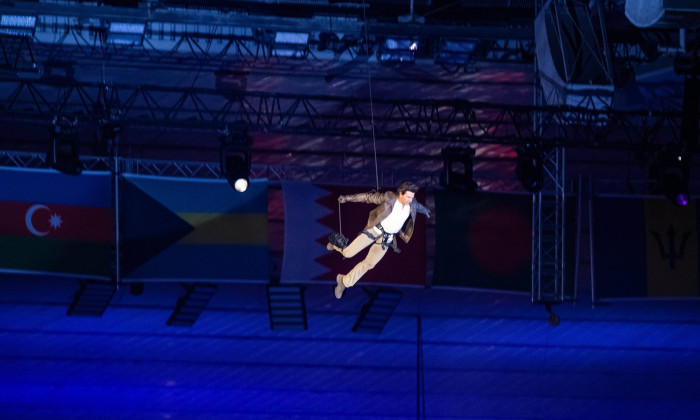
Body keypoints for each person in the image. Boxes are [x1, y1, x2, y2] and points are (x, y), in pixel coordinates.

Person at [327, 181, 431, 299]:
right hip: (374, 231)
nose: (411, 199)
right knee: (348, 253)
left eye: (412, 197)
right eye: (408, 196)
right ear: (401, 193)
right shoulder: (389, 198)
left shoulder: (412, 203)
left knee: (369, 264)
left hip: (386, 239)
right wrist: (347, 198)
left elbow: (418, 207)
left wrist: (426, 210)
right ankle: (334, 245)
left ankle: (344, 281)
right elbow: (368, 197)